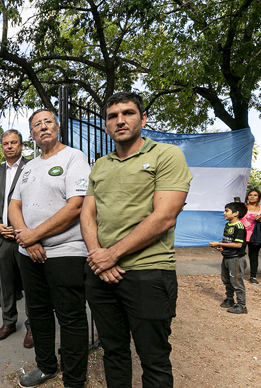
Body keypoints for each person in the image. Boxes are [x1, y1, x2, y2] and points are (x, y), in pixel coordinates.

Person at [81, 91, 192, 387]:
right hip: (101, 273)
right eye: (112, 116)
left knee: (153, 358)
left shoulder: (167, 155)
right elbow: (87, 214)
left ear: (143, 118)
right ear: (106, 124)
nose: (120, 120)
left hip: (149, 272)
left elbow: (165, 216)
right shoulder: (100, 165)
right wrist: (97, 256)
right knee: (113, 352)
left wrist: (111, 254)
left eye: (128, 113)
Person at [8, 109, 91, 388]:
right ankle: (46, 366)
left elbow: (76, 205)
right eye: (37, 125)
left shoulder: (74, 157)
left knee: (71, 316)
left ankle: (75, 378)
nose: (43, 127)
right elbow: (14, 205)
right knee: (38, 312)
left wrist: (34, 236)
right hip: (28, 254)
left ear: (57, 127)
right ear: (31, 134)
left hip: (66, 252)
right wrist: (25, 238)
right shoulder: (29, 166)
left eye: (48, 122)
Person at [0, 130, 33, 347]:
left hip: (25, 236)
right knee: (5, 285)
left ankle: (33, 326)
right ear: (2, 147)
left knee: (31, 284)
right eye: (5, 143)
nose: (9, 146)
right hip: (1, 238)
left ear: (22, 145)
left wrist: (22, 228)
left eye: (14, 143)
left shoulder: (32, 167)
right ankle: (8, 322)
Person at [208, 202, 248, 314]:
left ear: (236, 213)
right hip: (227, 257)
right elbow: (228, 241)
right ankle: (230, 299)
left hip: (235, 259)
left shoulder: (239, 227)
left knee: (236, 282)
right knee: (226, 280)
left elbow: (238, 245)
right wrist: (222, 247)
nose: (224, 213)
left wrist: (218, 244)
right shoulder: (228, 225)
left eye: (227, 210)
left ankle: (241, 305)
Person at [241, 189, 261, 284]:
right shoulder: (242, 207)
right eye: (250, 195)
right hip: (241, 235)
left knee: (253, 257)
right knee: (239, 255)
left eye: (255, 195)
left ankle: (253, 276)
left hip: (256, 236)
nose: (252, 197)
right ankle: (238, 274)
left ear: (259, 197)